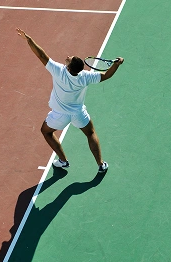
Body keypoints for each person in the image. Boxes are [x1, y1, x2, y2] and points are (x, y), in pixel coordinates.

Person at [16, 28, 124, 173]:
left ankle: (63, 161)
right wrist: (116, 64)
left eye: (70, 58)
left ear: (69, 67)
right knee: (90, 133)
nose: (68, 56)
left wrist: (29, 40)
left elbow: (41, 55)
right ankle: (101, 164)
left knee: (46, 131)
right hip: (78, 113)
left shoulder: (58, 71)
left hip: (60, 115)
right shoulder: (85, 76)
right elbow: (105, 76)